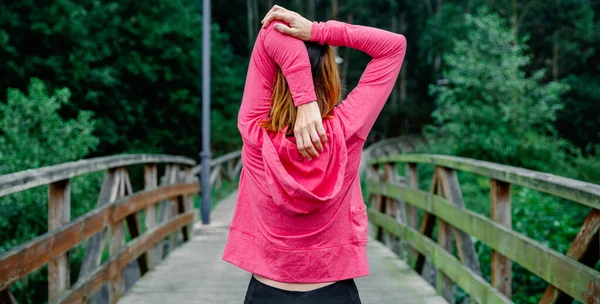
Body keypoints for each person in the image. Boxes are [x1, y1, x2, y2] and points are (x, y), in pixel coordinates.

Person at [222, 5, 407, 304]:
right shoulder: (347, 130)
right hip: (334, 293)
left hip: (267, 293)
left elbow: (271, 30)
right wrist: (318, 31)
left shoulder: (255, 133)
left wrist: (302, 98)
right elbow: (393, 46)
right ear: (330, 77)